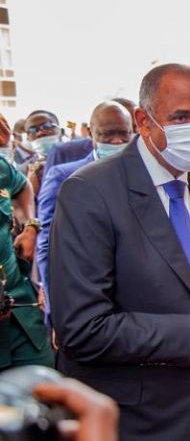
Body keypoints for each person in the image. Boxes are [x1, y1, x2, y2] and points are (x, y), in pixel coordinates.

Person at [50, 63, 190, 441]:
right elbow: (82, 328)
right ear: (144, 122)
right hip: (134, 418)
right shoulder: (89, 192)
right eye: (181, 117)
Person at [36, 101, 133, 324]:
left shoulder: (146, 177)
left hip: (136, 311)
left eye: (123, 134)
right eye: (108, 134)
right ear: (91, 133)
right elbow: (48, 247)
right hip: (85, 306)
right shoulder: (64, 177)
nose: (117, 141)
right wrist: (56, 310)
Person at [0, 116, 52, 370]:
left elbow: (23, 189)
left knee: (45, 394)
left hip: (19, 309)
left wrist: (30, 226)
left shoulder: (2, 167)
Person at [24, 110, 61, 194]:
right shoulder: (26, 171)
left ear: (59, 130)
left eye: (47, 126)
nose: (40, 133)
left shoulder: (78, 158)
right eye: (33, 130)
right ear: (28, 138)